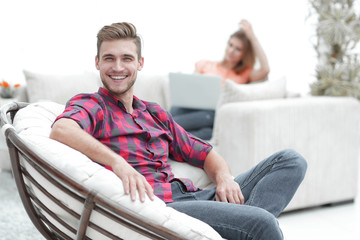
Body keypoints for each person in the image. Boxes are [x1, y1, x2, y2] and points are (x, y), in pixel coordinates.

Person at [50, 22, 307, 240]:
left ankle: (239, 224)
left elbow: (204, 153)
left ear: (140, 63)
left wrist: (224, 178)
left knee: (291, 161)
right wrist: (118, 163)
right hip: (164, 208)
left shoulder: (154, 113)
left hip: (196, 196)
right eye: (109, 58)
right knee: (262, 223)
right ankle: (247, 222)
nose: (118, 67)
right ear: (97, 62)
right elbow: (62, 129)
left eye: (126, 58)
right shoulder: (92, 105)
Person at [171, 19, 270, 140]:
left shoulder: (244, 74)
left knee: (206, 123)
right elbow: (191, 89)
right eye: (230, 45)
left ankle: (162, 130)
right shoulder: (205, 64)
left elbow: (265, 69)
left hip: (212, 114)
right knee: (177, 110)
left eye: (238, 49)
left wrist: (252, 37)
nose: (231, 51)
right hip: (190, 109)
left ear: (244, 54)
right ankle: (169, 134)